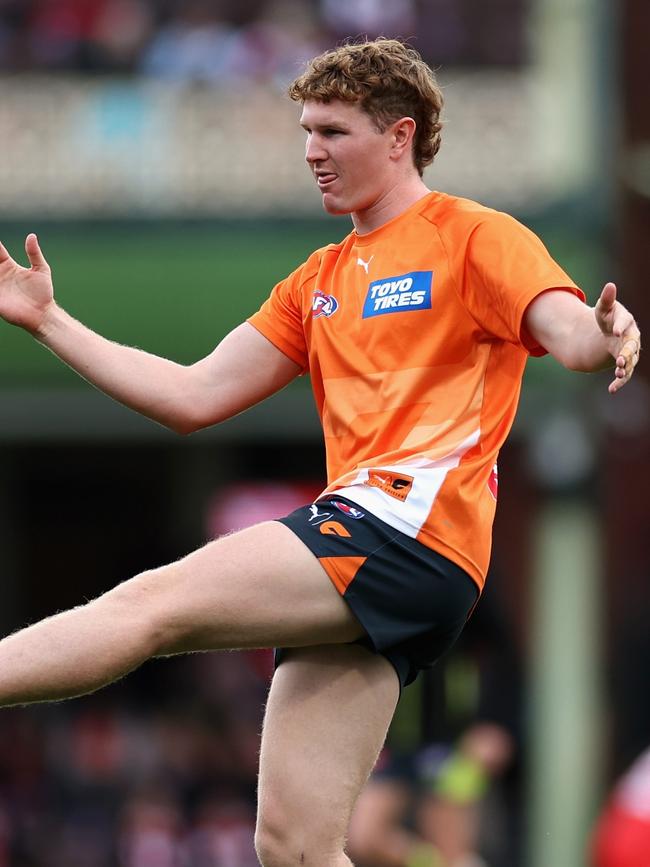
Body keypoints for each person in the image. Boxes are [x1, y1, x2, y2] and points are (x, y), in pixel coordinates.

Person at [0, 38, 641, 867]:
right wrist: (51, 322)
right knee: (297, 847)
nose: (312, 151)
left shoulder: (474, 235)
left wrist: (606, 329)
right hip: (394, 561)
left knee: (147, 605)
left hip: (400, 528)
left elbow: (569, 332)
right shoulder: (318, 279)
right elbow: (190, 396)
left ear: (400, 136)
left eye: (333, 131)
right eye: (306, 130)